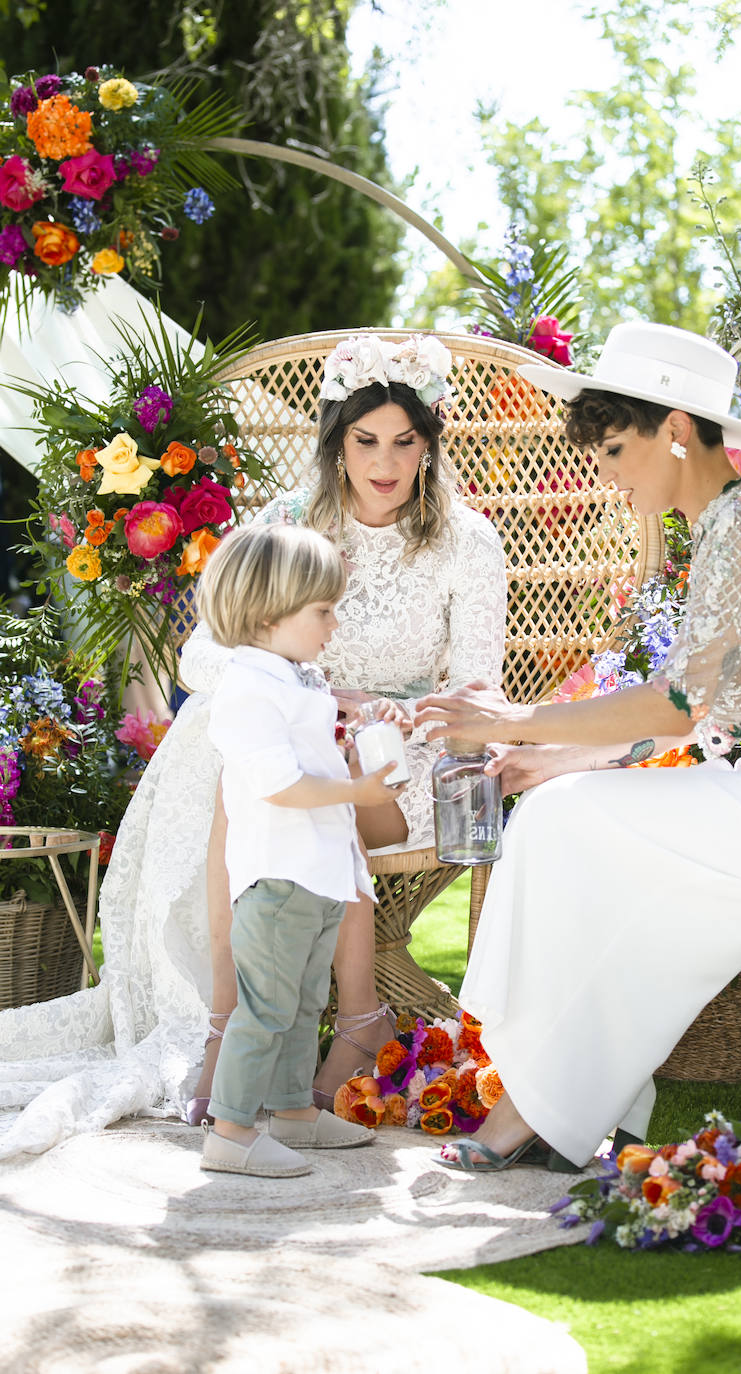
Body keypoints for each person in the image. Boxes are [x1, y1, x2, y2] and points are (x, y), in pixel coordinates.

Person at [414, 320, 741, 1173]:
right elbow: (711, 711)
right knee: (570, 827)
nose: (606, 474)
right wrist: (562, 759)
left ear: (676, 431)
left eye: (615, 448)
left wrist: (509, 724)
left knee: (567, 829)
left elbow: (681, 706)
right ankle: (556, 1103)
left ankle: (536, 1107)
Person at [0, 333, 506, 1160]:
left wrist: (378, 712)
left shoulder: (465, 542)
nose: (385, 463)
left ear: (430, 444)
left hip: (400, 751)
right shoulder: (288, 522)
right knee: (232, 738)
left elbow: (478, 688)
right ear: (336, 440)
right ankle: (247, 1019)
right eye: (365, 440)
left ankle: (262, 1027)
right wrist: (302, 689)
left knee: (303, 763)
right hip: (289, 739)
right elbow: (205, 652)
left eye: (406, 443)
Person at [196, 522, 392, 1177]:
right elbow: (278, 785)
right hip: (279, 878)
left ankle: (290, 1110)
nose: (334, 624)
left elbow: (311, 719)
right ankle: (229, 1132)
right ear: (267, 614)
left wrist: (351, 707)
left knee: (306, 1002)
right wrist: (358, 790)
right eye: (324, 611)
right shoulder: (247, 689)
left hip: (315, 873)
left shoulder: (292, 677)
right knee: (267, 1008)